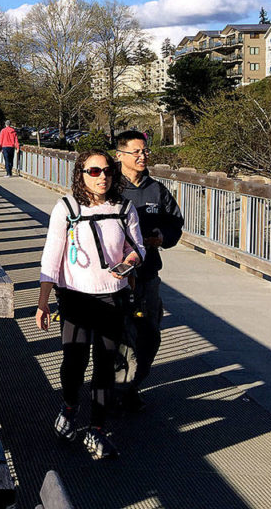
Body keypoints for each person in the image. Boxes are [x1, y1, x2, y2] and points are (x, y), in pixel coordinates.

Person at [35, 149, 145, 459]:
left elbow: (135, 248)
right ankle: (70, 406)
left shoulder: (125, 208)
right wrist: (43, 301)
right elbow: (51, 256)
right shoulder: (67, 208)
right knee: (74, 361)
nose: (102, 177)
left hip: (113, 295)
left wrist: (131, 260)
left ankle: (96, 429)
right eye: (93, 171)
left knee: (106, 365)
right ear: (80, 174)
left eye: (107, 170)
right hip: (76, 296)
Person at [113, 130, 183, 411]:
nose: (143, 156)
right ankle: (119, 393)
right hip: (117, 278)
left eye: (145, 151)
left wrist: (162, 237)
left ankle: (132, 384)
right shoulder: (108, 186)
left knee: (150, 335)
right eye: (136, 152)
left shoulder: (157, 190)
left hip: (148, 275)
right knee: (121, 338)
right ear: (121, 155)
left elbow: (175, 224)